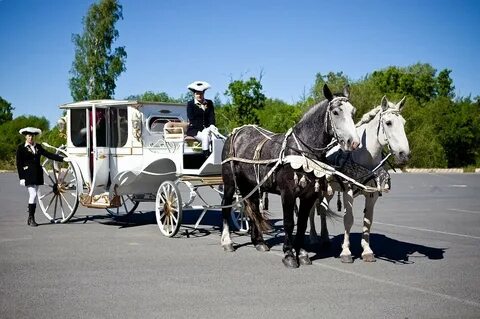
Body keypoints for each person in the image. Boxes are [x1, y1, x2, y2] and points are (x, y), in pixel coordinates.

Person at [16, 127, 68, 227]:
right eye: (29, 136)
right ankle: (31, 218)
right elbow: (19, 164)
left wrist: (63, 159)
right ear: (25, 136)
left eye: (32, 136)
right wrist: (21, 177)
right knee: (33, 194)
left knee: (34, 196)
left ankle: (30, 216)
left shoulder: (38, 146)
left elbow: (48, 154)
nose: (31, 138)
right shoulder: (21, 148)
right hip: (28, 175)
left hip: (37, 174)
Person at [186, 81, 217, 158]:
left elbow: (211, 116)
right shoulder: (190, 104)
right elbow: (191, 118)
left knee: (215, 137)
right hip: (195, 130)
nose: (199, 95)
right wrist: (204, 130)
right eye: (197, 93)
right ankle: (206, 156)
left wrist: (211, 125)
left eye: (201, 93)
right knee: (205, 137)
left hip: (208, 129)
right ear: (194, 94)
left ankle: (216, 156)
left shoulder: (209, 103)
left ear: (203, 94)